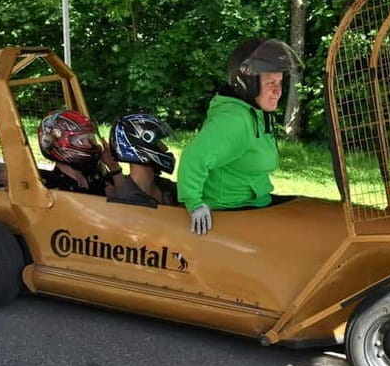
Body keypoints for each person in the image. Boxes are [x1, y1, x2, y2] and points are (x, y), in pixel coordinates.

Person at [177, 38, 300, 235]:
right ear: (248, 83)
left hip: (253, 206)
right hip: (232, 212)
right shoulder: (235, 121)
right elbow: (194, 158)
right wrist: (195, 203)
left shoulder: (256, 113)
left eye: (279, 82)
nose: (278, 91)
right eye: (270, 83)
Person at [37, 109, 122, 195]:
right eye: (82, 140)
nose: (89, 144)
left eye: (90, 138)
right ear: (59, 143)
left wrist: (114, 167)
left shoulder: (93, 174)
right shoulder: (53, 187)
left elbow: (123, 200)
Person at [108, 113, 178, 207]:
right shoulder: (129, 203)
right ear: (141, 146)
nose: (165, 148)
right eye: (157, 142)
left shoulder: (164, 186)